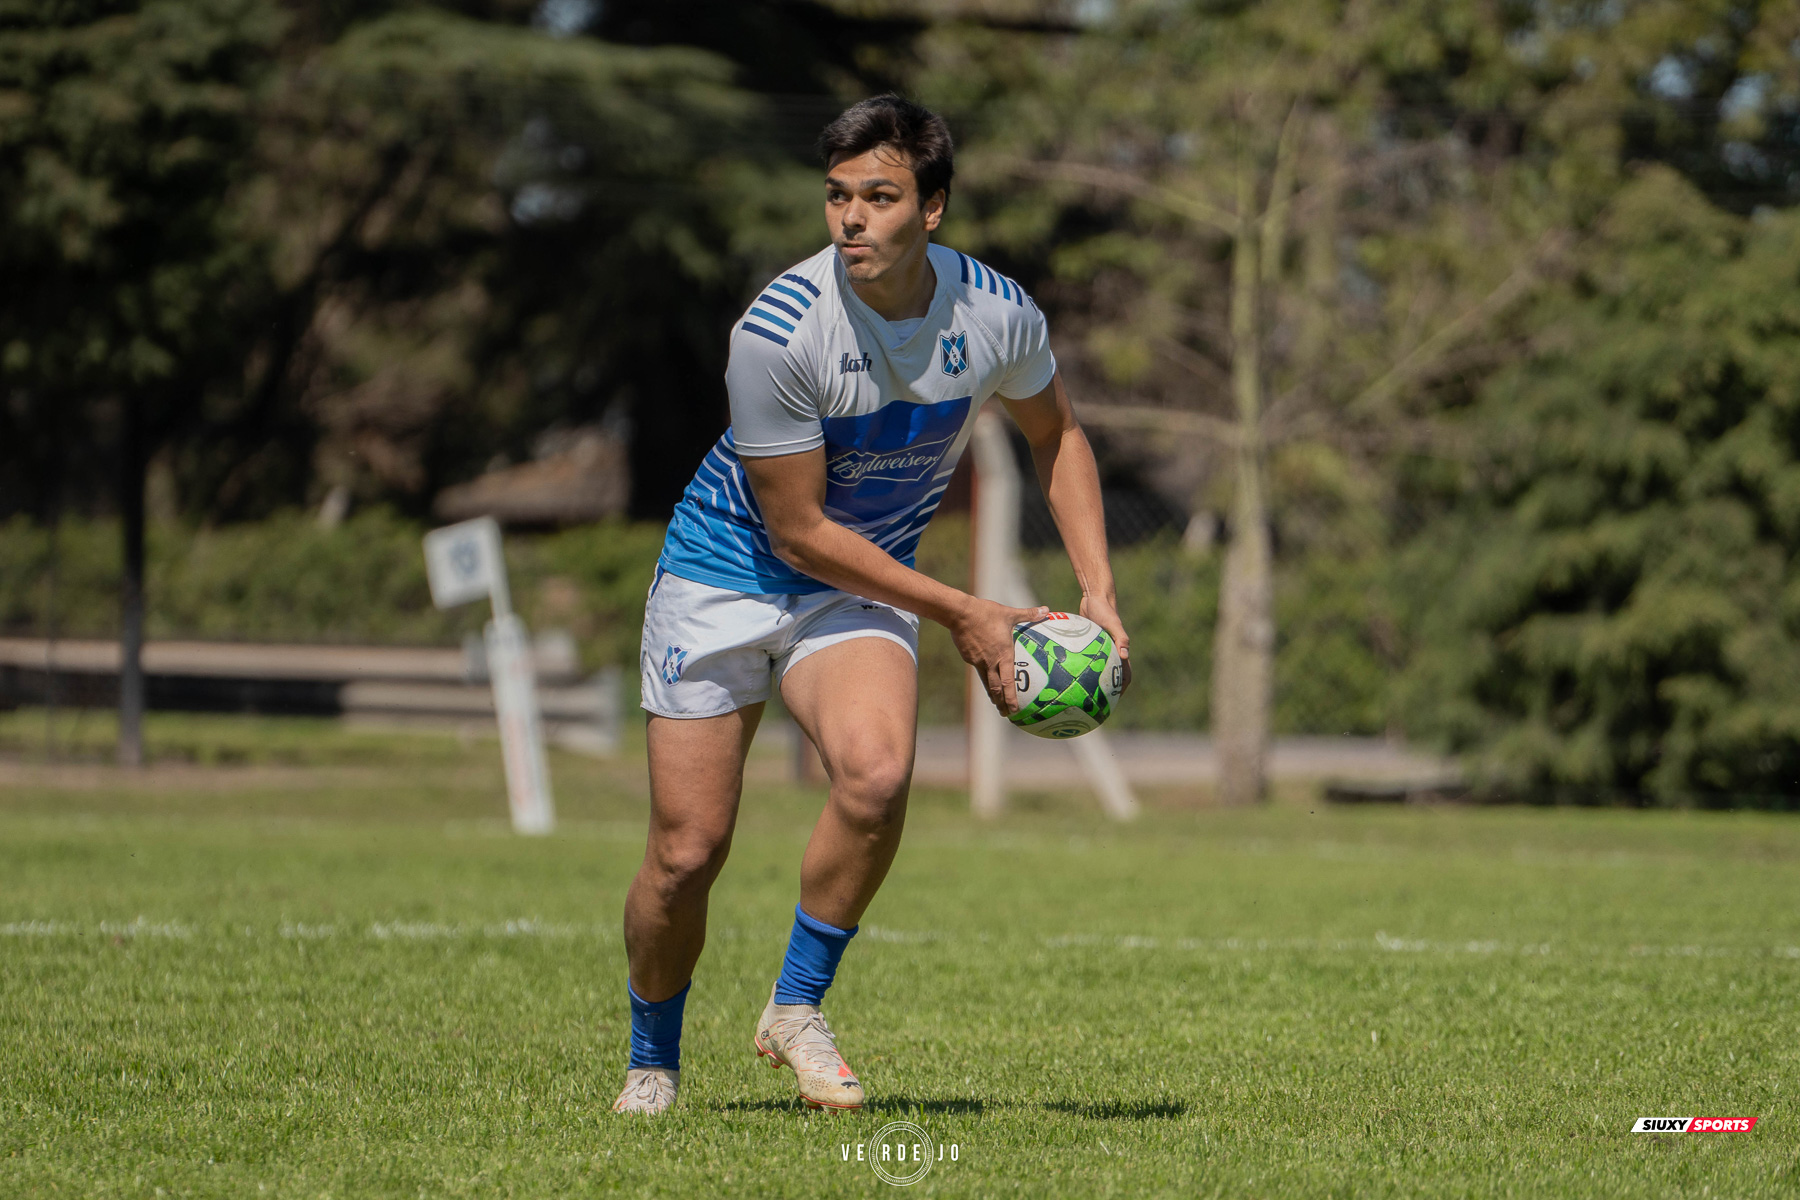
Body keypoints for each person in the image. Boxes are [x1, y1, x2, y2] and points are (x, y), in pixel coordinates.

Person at [612, 94, 1130, 1115]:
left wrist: (1099, 589)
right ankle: (651, 1061)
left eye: (880, 197)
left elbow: (1058, 434)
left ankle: (796, 1009)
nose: (851, 218)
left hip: (855, 588)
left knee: (878, 774)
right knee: (686, 853)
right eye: (837, 195)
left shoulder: (996, 313)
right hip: (723, 577)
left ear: (931, 209)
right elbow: (799, 531)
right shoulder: (777, 332)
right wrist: (965, 611)